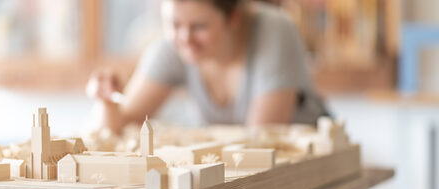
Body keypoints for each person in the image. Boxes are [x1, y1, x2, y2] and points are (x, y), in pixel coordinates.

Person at [87, 0, 328, 135]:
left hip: (308, 171)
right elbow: (119, 125)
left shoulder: (275, 30)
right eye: (173, 23)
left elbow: (261, 139)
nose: (184, 37)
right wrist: (106, 100)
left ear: (233, 17)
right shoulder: (176, 44)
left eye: (199, 26)